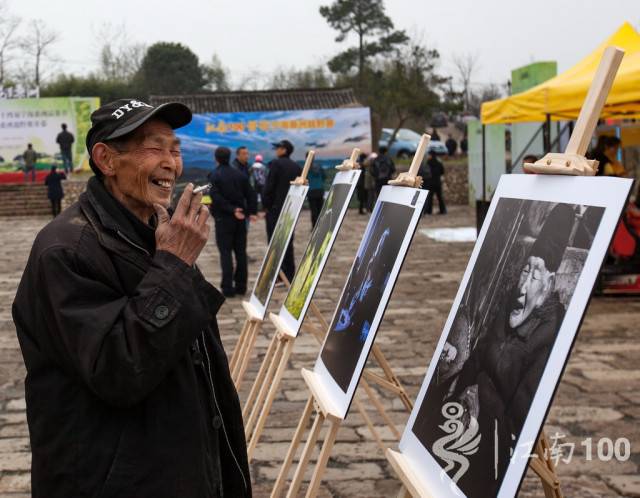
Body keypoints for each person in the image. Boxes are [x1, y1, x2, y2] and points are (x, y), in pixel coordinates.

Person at [12, 98, 251, 498]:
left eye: (175, 150)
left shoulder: (156, 230)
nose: (171, 164)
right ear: (106, 160)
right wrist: (173, 265)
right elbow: (118, 369)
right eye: (155, 148)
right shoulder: (67, 250)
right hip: (111, 480)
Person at [208, 146, 257, 297]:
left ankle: (227, 288)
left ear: (216, 158)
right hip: (240, 218)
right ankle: (241, 287)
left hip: (223, 219)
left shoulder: (214, 175)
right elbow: (251, 194)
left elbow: (215, 197)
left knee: (225, 253)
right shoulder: (239, 174)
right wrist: (250, 212)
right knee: (241, 253)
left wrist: (231, 209)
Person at [262, 139, 301, 282]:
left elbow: (269, 187)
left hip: (276, 209)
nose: (276, 150)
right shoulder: (296, 166)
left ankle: (278, 275)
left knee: (275, 244)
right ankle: (289, 274)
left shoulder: (276, 164)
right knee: (288, 242)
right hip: (291, 208)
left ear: (284, 150)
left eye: (278, 148)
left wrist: (266, 205)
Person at [306, 156, 325, 227]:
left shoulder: (306, 168)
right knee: (320, 210)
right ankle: (320, 226)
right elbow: (324, 176)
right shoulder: (319, 166)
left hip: (311, 191)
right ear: (313, 158)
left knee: (313, 210)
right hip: (320, 190)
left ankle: (314, 226)